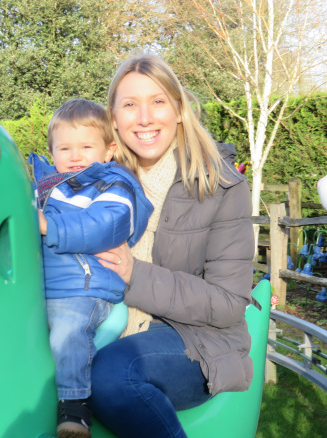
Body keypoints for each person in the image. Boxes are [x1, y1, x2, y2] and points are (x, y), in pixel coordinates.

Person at [89, 53, 255, 438]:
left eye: (158, 101)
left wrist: (134, 274)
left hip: (197, 342)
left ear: (179, 110)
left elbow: (229, 301)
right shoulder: (97, 184)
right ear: (113, 119)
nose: (144, 117)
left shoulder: (223, 186)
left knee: (114, 373)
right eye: (130, 105)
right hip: (101, 323)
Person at [28, 98, 153, 438]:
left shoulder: (114, 184)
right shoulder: (43, 190)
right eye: (64, 148)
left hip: (86, 289)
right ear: (52, 152)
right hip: (41, 289)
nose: (75, 156)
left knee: (69, 330)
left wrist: (48, 227)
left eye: (86, 146)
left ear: (109, 150)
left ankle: (75, 406)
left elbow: (105, 225)